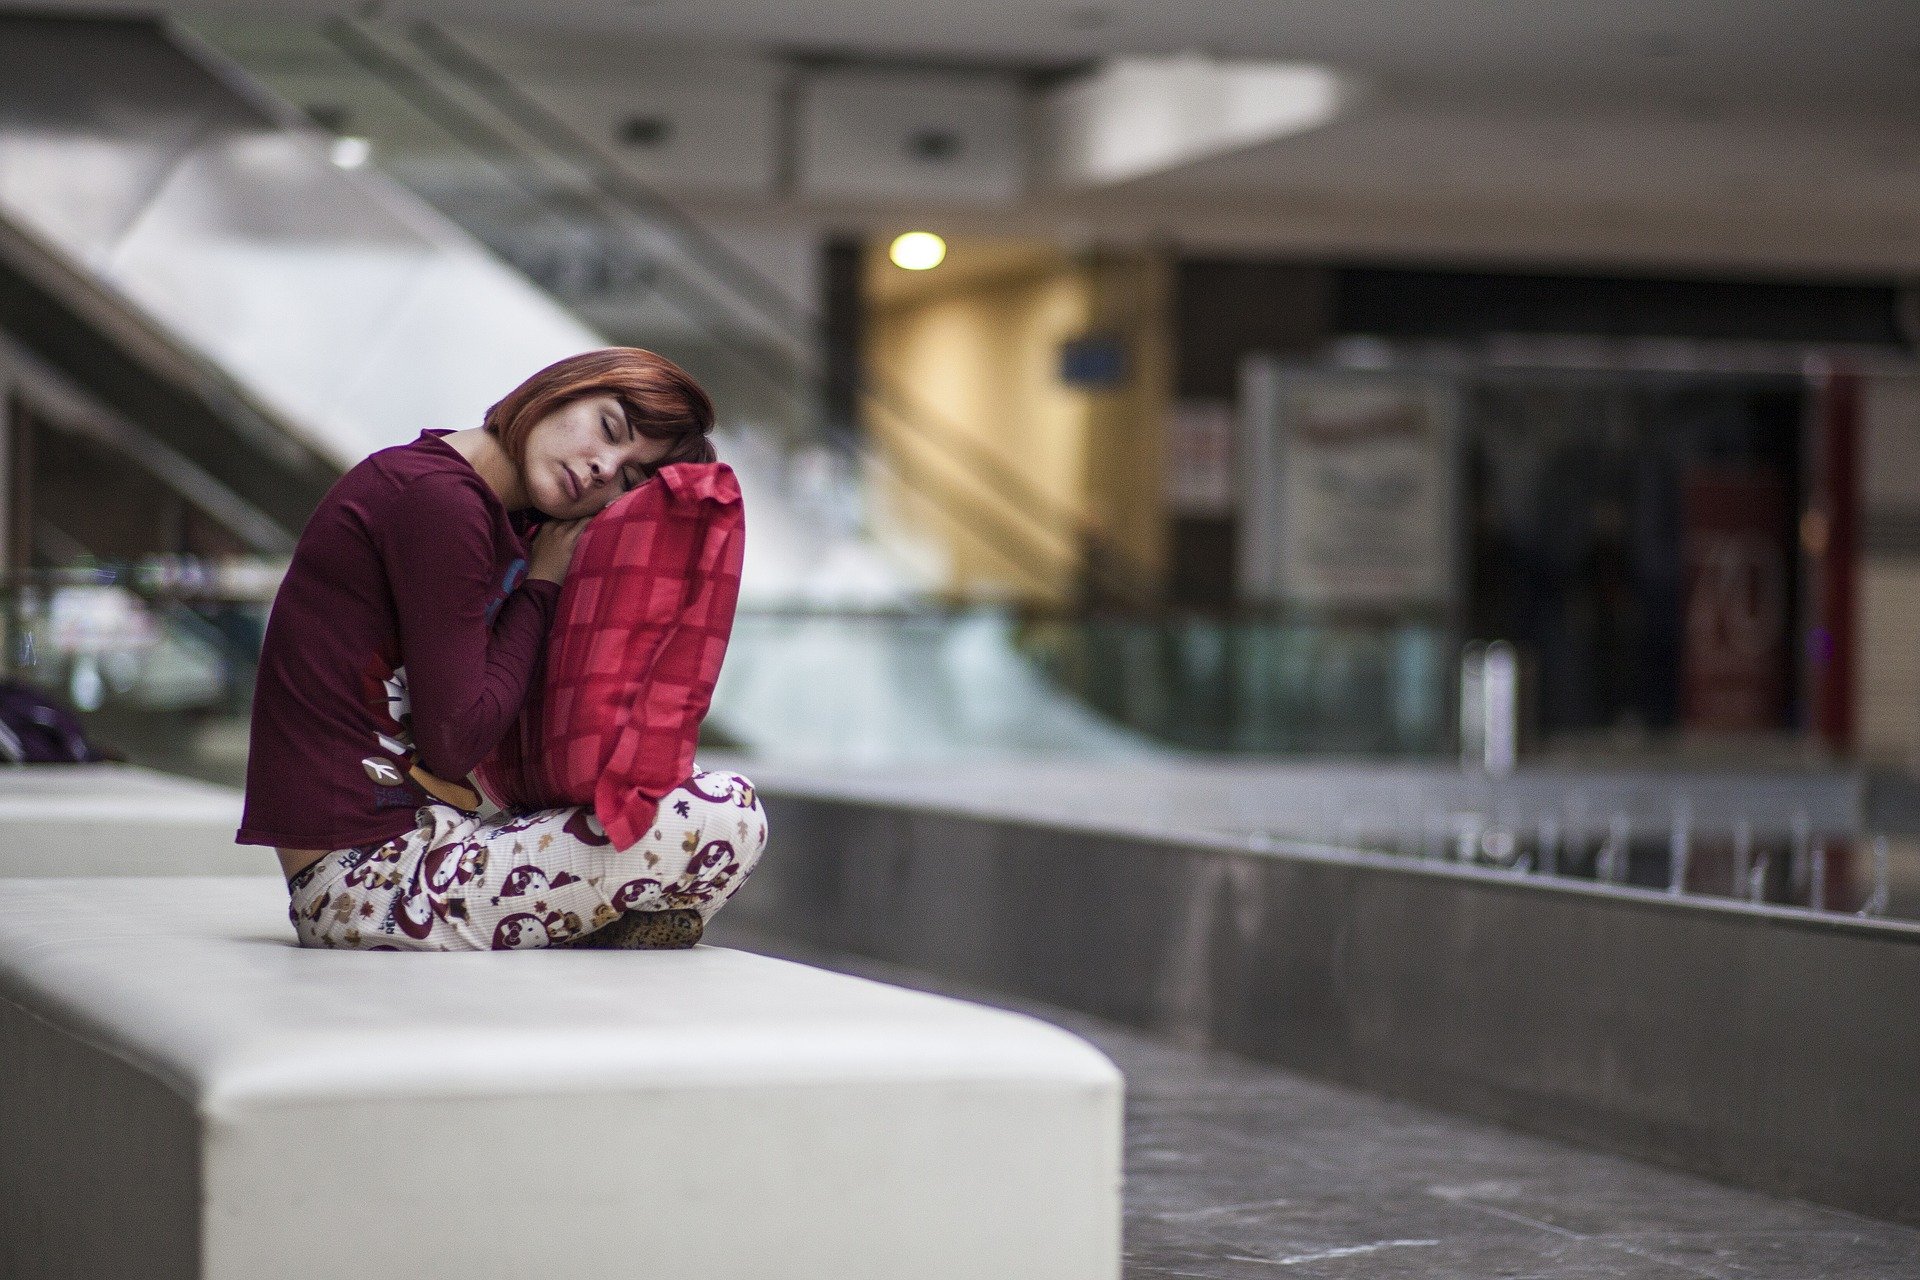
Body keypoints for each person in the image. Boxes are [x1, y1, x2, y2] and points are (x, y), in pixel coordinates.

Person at [237, 348, 768, 951]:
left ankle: (593, 930)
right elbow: (458, 738)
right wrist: (541, 588)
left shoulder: (481, 507)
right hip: (362, 884)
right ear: (561, 388)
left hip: (423, 847)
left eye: (627, 478)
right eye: (609, 429)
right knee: (724, 815)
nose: (602, 469)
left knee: (674, 802)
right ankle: (593, 930)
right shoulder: (440, 500)